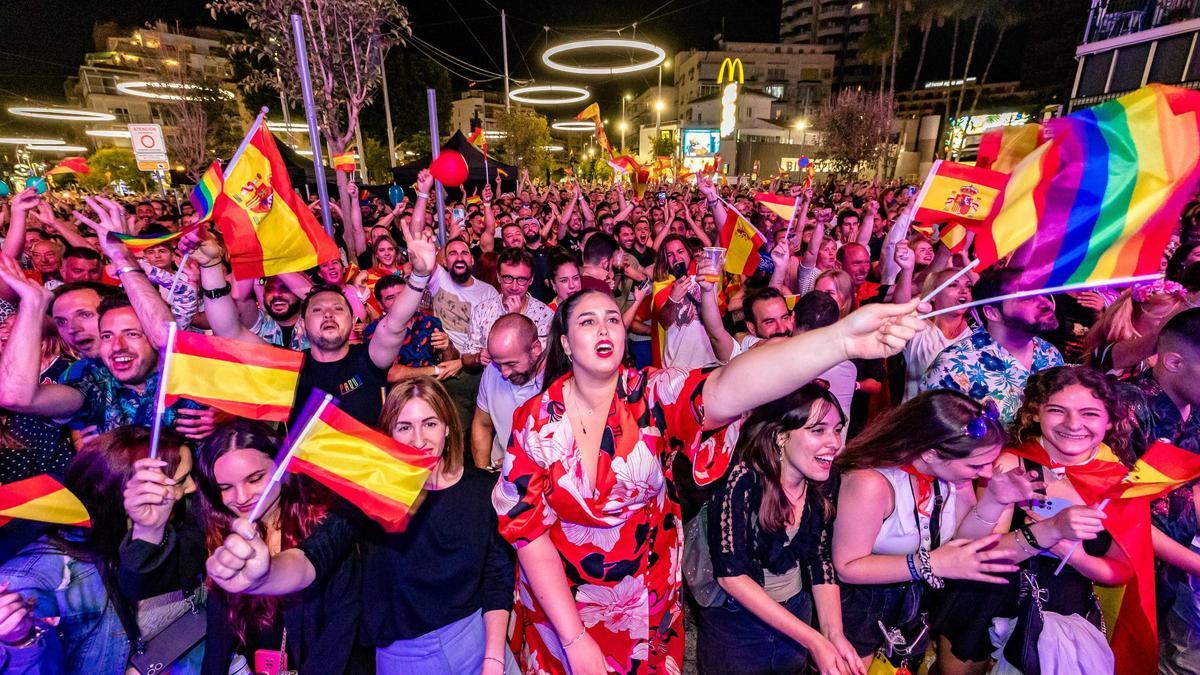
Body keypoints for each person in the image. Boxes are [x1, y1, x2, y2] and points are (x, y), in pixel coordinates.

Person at [493, 287, 927, 674]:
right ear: (566, 343)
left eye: (612, 318)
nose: (604, 328)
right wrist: (574, 638)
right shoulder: (534, 423)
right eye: (588, 321)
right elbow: (528, 533)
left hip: (645, 602)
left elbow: (729, 385)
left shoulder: (650, 395)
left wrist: (840, 339)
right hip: (561, 605)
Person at [206, 378, 517, 675]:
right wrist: (265, 576)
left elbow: (497, 577)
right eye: (405, 427)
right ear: (389, 434)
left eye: (430, 424)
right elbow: (314, 556)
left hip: (478, 642)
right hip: (405, 658)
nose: (419, 440)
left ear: (448, 426)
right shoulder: (371, 497)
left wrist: (493, 657)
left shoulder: (482, 490)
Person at [934, 366, 1134, 675]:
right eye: (1057, 410)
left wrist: (1075, 555)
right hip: (982, 602)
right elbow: (977, 553)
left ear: (1109, 421)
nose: (1073, 424)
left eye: (1089, 414)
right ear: (1036, 413)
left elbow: (1121, 569)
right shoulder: (1011, 463)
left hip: (1061, 615)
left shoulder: (1121, 482)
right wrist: (1049, 531)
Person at [832, 390, 1033, 672]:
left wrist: (994, 501)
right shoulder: (871, 483)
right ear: (930, 453)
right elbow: (847, 568)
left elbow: (965, 543)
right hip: (860, 610)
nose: (987, 473)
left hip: (913, 607)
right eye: (976, 465)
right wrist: (932, 564)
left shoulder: (952, 478)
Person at [191, 217, 436, 426]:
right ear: (304, 324)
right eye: (318, 310)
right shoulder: (291, 366)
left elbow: (394, 324)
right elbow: (228, 331)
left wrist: (420, 275)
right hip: (307, 480)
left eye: (337, 308)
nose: (328, 314)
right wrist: (211, 266)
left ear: (352, 320)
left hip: (367, 477)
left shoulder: (370, 360)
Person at [0, 427, 204, 674]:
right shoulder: (39, 575)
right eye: (181, 480)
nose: (192, 487)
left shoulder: (162, 524)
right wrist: (20, 640)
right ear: (130, 494)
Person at [699, 384, 863, 675]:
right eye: (818, 430)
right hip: (738, 626)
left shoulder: (824, 478)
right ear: (780, 436)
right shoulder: (741, 479)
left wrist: (833, 633)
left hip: (796, 613)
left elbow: (820, 558)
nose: (835, 442)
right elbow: (731, 576)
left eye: (837, 429)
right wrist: (813, 639)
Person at [195, 421, 360, 675]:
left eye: (255, 479)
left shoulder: (325, 527)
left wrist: (265, 576)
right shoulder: (222, 535)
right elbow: (217, 641)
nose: (241, 497)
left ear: (283, 468)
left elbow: (340, 632)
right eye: (226, 488)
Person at [921, 267, 1064, 425]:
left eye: (1043, 293)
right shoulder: (954, 366)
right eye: (1027, 297)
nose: (1045, 303)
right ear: (992, 313)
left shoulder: (1050, 353)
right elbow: (935, 435)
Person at [472, 313, 544, 471]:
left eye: (511, 363)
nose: (504, 373)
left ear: (535, 349)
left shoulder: (558, 381)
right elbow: (482, 424)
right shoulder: (492, 371)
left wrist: (521, 462)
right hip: (498, 476)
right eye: (499, 364)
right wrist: (482, 473)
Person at [463, 247, 553, 367]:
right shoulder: (482, 310)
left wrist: (515, 319)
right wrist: (477, 357)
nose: (514, 287)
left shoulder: (544, 315)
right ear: (499, 277)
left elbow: (539, 363)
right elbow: (465, 358)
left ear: (531, 280)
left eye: (521, 279)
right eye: (508, 278)